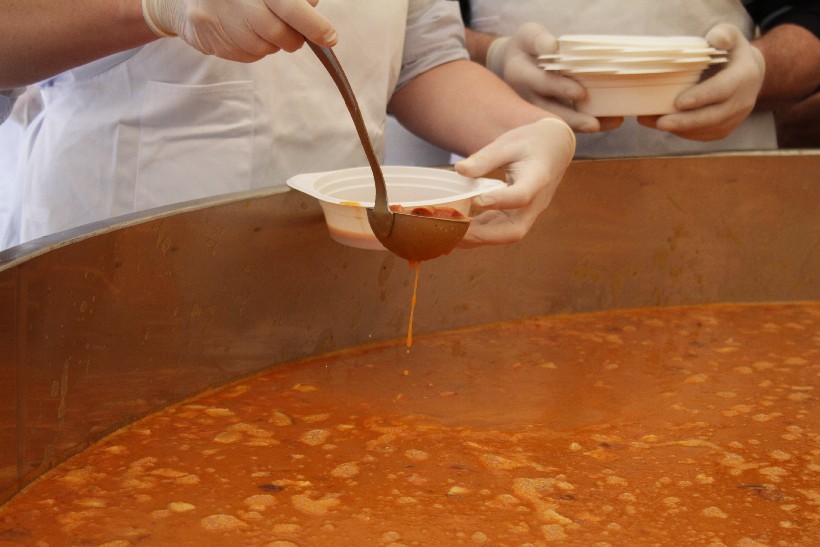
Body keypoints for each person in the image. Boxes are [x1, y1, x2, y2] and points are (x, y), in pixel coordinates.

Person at [0, 0, 575, 251]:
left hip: (329, 260)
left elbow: (421, 57)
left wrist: (527, 126)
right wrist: (154, 7)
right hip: (110, 263)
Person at [457, 0, 820, 157]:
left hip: (716, 179)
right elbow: (428, 36)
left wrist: (759, 68)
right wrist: (495, 56)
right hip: (507, 175)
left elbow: (810, 19)